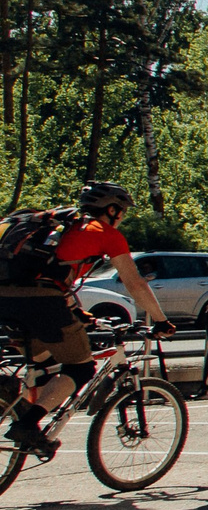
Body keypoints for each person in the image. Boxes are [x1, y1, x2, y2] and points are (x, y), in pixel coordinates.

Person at [0, 183, 176, 462]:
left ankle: (13, 398)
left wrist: (76, 311)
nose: (122, 217)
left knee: (46, 363)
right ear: (112, 209)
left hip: (5, 300)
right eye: (122, 211)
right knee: (81, 368)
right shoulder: (106, 233)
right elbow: (135, 283)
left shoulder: (58, 225)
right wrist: (161, 320)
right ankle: (27, 425)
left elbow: (52, 274)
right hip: (39, 303)